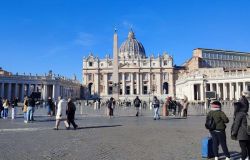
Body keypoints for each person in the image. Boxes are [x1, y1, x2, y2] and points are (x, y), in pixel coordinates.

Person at [231, 91, 250, 160]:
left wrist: (234, 132)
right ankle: (248, 157)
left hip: (242, 133)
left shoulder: (239, 114)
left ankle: (243, 157)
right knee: (248, 146)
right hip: (248, 132)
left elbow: (236, 124)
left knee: (243, 147)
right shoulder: (246, 113)